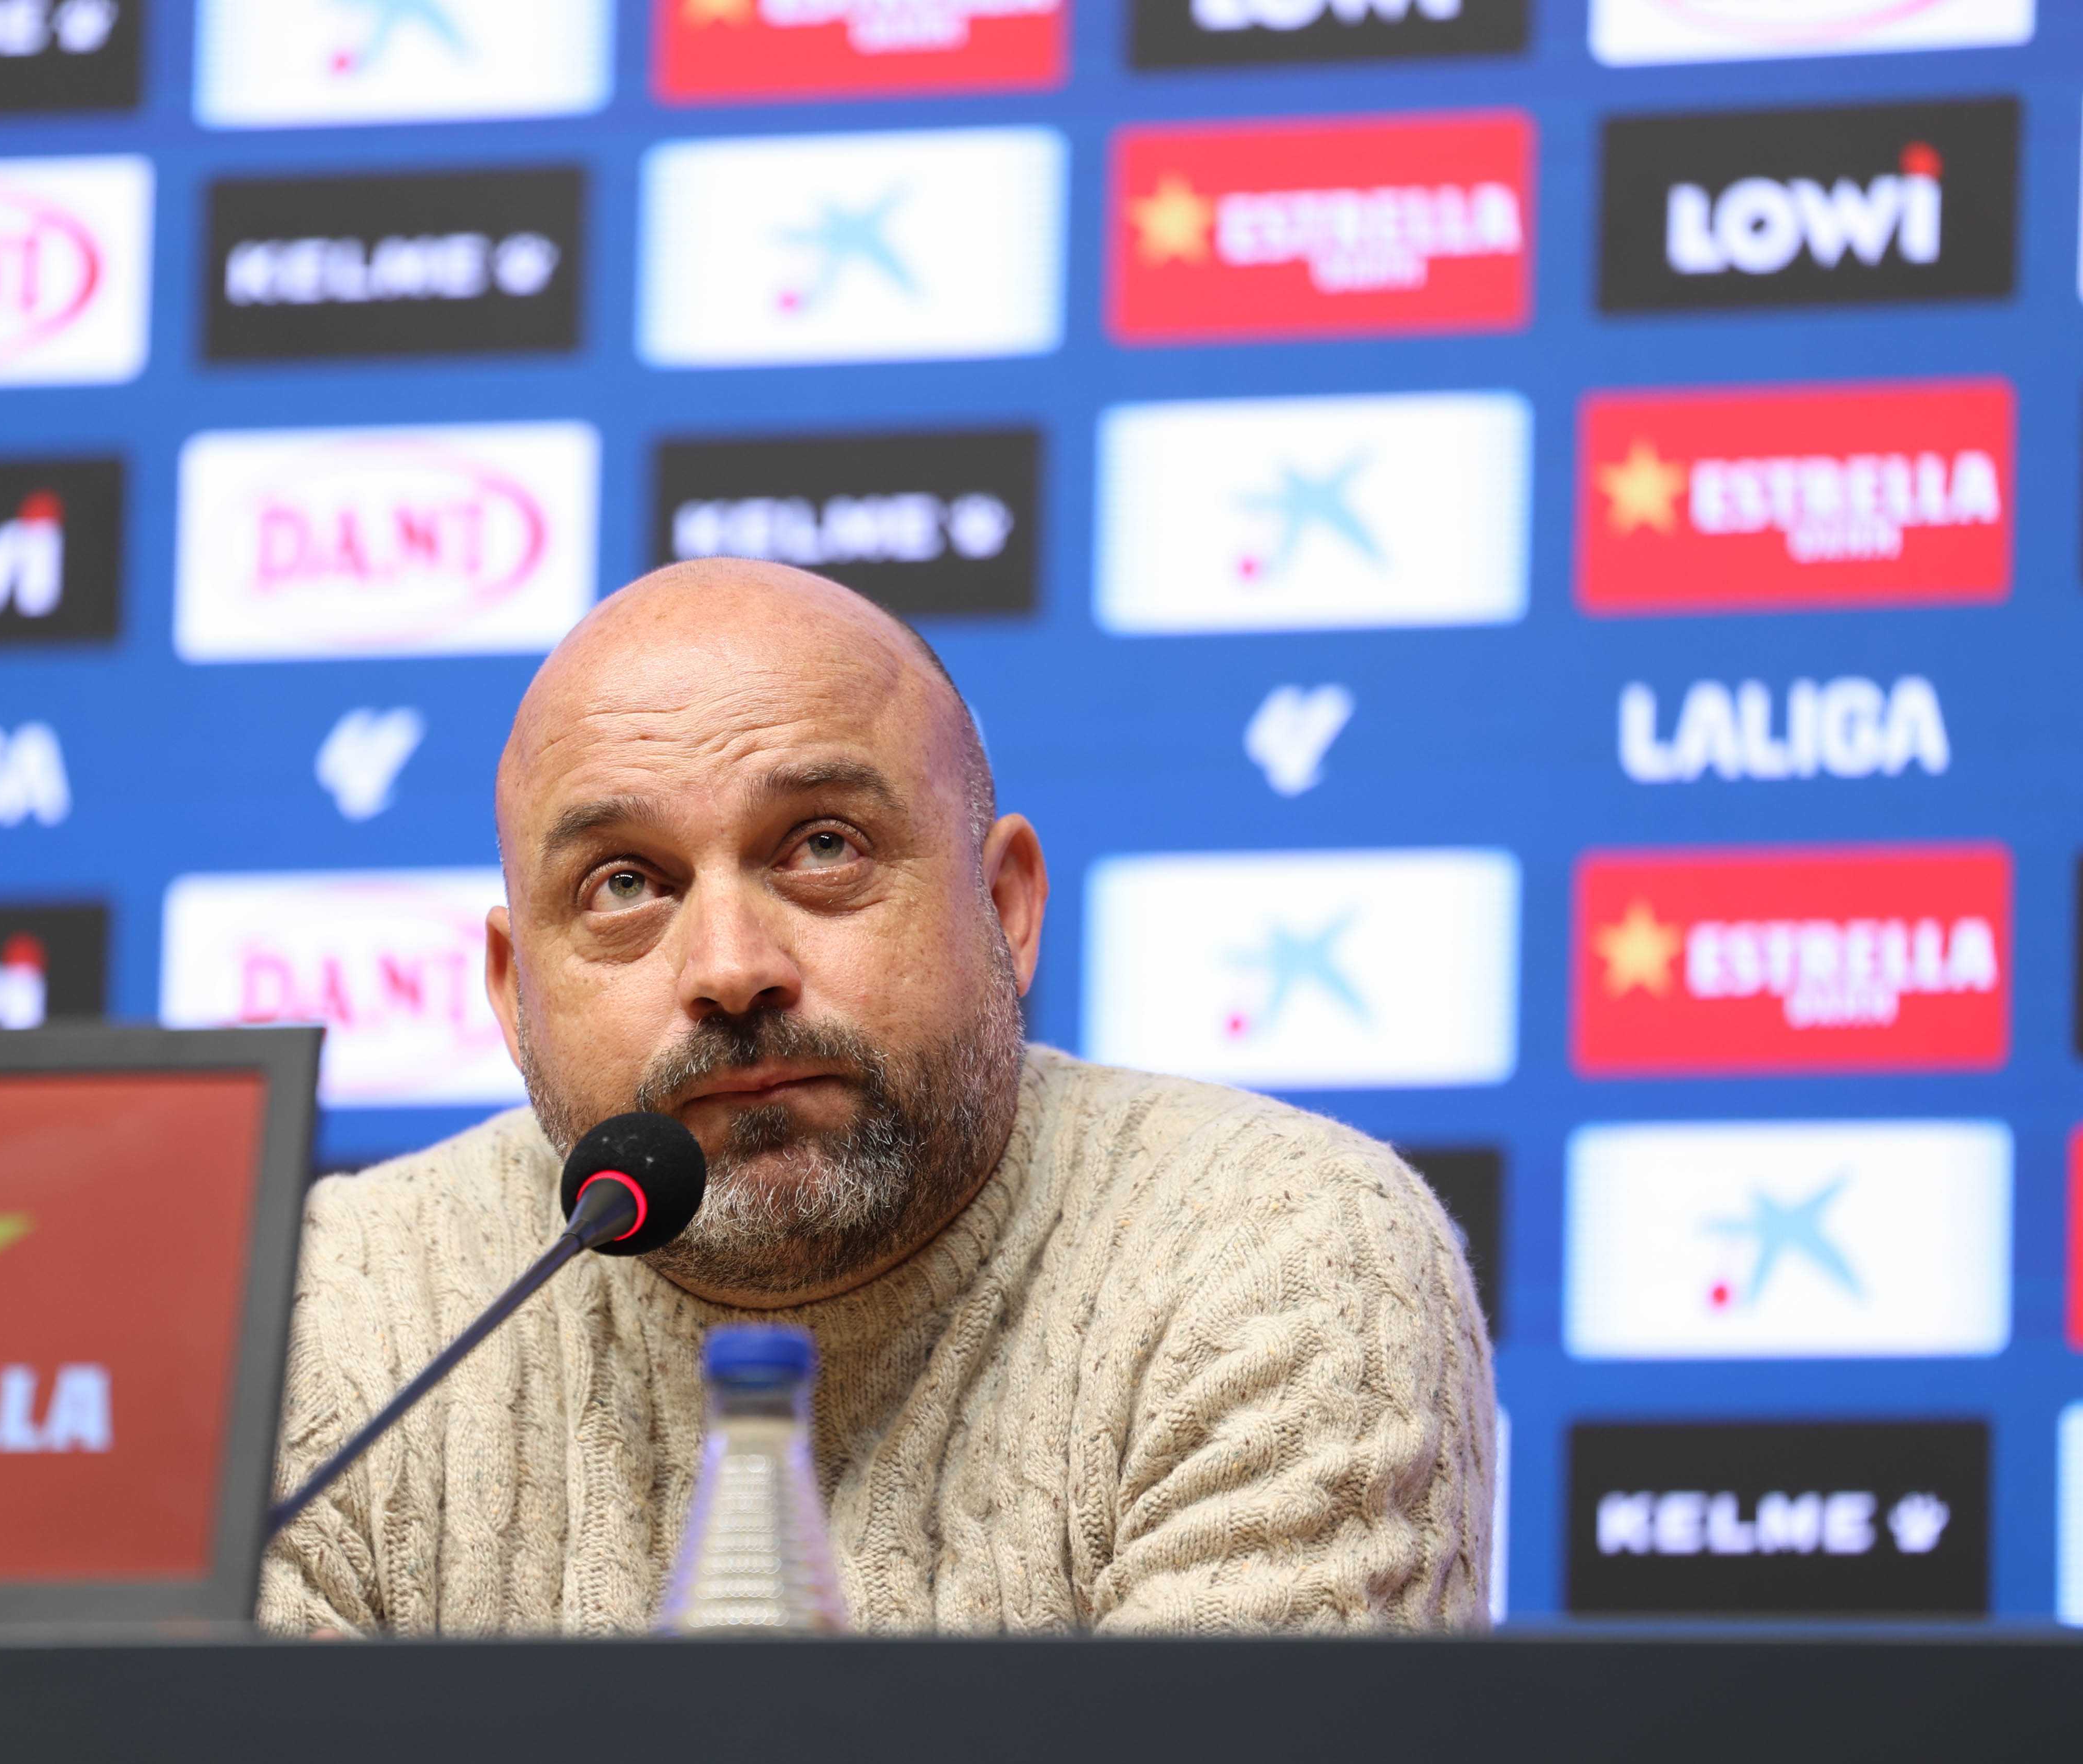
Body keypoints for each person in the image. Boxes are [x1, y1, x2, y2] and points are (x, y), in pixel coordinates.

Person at [260, 557, 1495, 1634]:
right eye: (625, 883)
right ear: (513, 991)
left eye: (823, 846)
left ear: (1005, 908)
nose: (730, 967)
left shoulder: (1276, 1251)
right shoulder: (323, 1310)